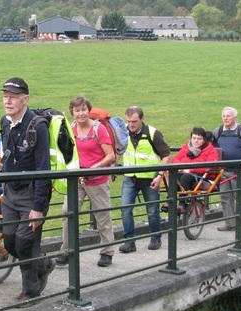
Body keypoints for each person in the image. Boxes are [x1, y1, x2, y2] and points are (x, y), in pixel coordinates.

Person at [0, 77, 55, 302]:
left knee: (25, 242)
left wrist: (38, 207)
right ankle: (43, 264)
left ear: (25, 99)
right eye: (5, 96)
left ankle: (30, 291)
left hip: (30, 194)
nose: (8, 101)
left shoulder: (37, 126)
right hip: (10, 193)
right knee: (10, 241)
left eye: (13, 97)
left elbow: (44, 168)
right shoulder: (5, 122)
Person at [56, 95, 116, 268]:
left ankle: (107, 252)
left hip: (97, 179)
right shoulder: (71, 128)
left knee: (102, 216)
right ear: (72, 112)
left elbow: (110, 156)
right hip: (77, 179)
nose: (81, 113)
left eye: (83, 109)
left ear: (89, 110)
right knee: (68, 212)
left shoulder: (99, 129)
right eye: (77, 110)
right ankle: (67, 251)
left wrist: (94, 168)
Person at [119, 106, 171, 253]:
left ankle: (155, 238)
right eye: (128, 121)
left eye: (134, 121)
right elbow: (118, 149)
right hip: (130, 178)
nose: (131, 124)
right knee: (125, 209)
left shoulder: (153, 133)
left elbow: (166, 155)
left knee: (152, 211)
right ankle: (129, 242)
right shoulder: (123, 133)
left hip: (150, 179)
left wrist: (160, 175)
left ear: (142, 119)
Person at [215, 107, 241, 231]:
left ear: (234, 117)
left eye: (228, 116)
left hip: (239, 170)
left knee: (240, 195)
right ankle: (230, 223)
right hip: (223, 171)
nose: (226, 118)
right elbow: (212, 147)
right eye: (224, 116)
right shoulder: (217, 131)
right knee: (225, 197)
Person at [170, 127, 220, 212]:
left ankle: (183, 204)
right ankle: (170, 200)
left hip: (203, 176)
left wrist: (190, 169)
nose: (196, 141)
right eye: (194, 138)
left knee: (185, 177)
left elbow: (208, 166)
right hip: (185, 172)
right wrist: (183, 167)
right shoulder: (187, 147)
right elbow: (175, 159)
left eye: (199, 139)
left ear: (204, 140)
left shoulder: (211, 150)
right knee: (174, 175)